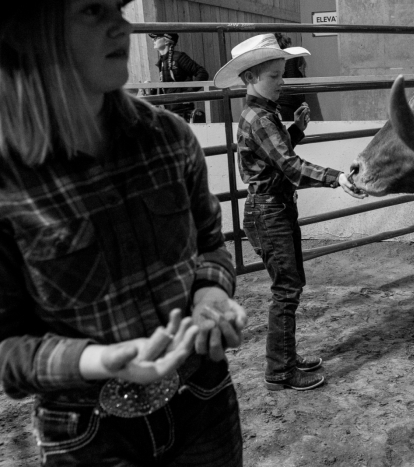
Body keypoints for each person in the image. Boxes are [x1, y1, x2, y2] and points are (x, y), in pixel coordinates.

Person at [0, 1, 247, 465]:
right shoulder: (9, 182)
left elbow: (210, 246)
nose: (123, 24)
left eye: (117, 7)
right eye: (93, 10)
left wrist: (210, 296)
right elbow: (7, 349)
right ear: (25, 34)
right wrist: (100, 359)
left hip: (201, 395)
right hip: (87, 430)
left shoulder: (171, 139)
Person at [213, 34, 366, 391]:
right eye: (274, 76)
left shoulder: (261, 115)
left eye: (281, 74)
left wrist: (295, 129)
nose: (282, 82)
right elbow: (290, 168)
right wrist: (336, 177)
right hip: (270, 211)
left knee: (289, 286)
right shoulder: (262, 118)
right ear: (250, 77)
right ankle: (280, 370)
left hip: (272, 209)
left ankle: (284, 357)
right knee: (286, 289)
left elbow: (274, 158)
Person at [146, 32, 209, 121]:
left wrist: (188, 93)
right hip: (170, 110)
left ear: (166, 41)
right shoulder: (162, 61)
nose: (153, 40)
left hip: (182, 111)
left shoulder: (179, 57)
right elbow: (168, 86)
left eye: (157, 38)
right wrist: (152, 89)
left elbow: (202, 73)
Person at [274, 33, 307, 121]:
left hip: (275, 102)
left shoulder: (272, 59)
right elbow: (293, 80)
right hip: (289, 103)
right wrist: (302, 101)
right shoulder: (291, 57)